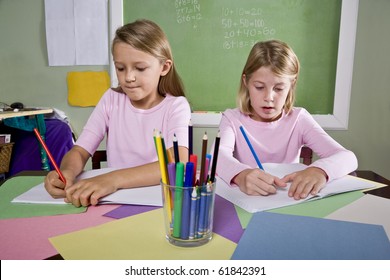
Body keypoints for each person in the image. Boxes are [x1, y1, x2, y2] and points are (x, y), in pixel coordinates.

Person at [44, 19, 191, 207]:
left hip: (158, 204)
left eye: (140, 68)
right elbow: (80, 151)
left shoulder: (176, 106)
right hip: (113, 201)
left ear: (164, 67)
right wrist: (66, 172)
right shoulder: (111, 99)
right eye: (120, 68)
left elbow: (177, 163)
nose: (128, 77)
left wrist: (112, 180)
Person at [216, 40, 358, 200]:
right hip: (246, 204)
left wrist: (319, 170)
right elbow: (218, 157)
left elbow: (348, 157)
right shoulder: (232, 119)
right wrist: (241, 175)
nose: (268, 98)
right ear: (246, 82)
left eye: (278, 88)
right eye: (259, 87)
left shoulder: (299, 119)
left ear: (292, 84)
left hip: (288, 202)